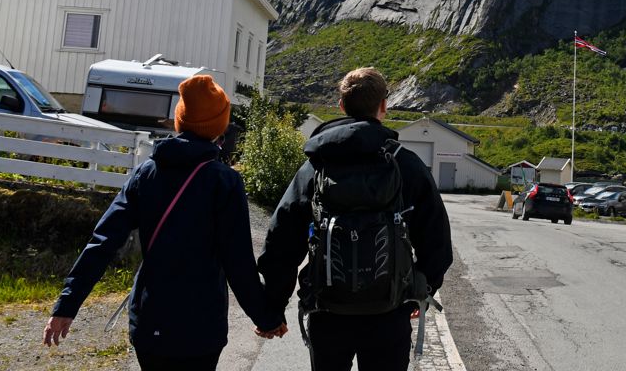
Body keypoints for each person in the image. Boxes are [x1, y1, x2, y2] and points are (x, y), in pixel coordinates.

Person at [43, 74, 287, 370]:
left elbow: (103, 241)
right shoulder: (224, 181)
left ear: (180, 120)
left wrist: (67, 305)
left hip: (150, 319)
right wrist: (266, 318)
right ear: (220, 127)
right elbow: (238, 262)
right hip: (201, 325)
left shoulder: (146, 173)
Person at [257, 66, 453, 370]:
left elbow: (282, 238)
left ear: (341, 105)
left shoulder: (317, 166)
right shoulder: (405, 164)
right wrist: (421, 288)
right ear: (383, 106)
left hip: (328, 311)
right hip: (389, 313)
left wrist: (273, 306)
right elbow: (437, 240)